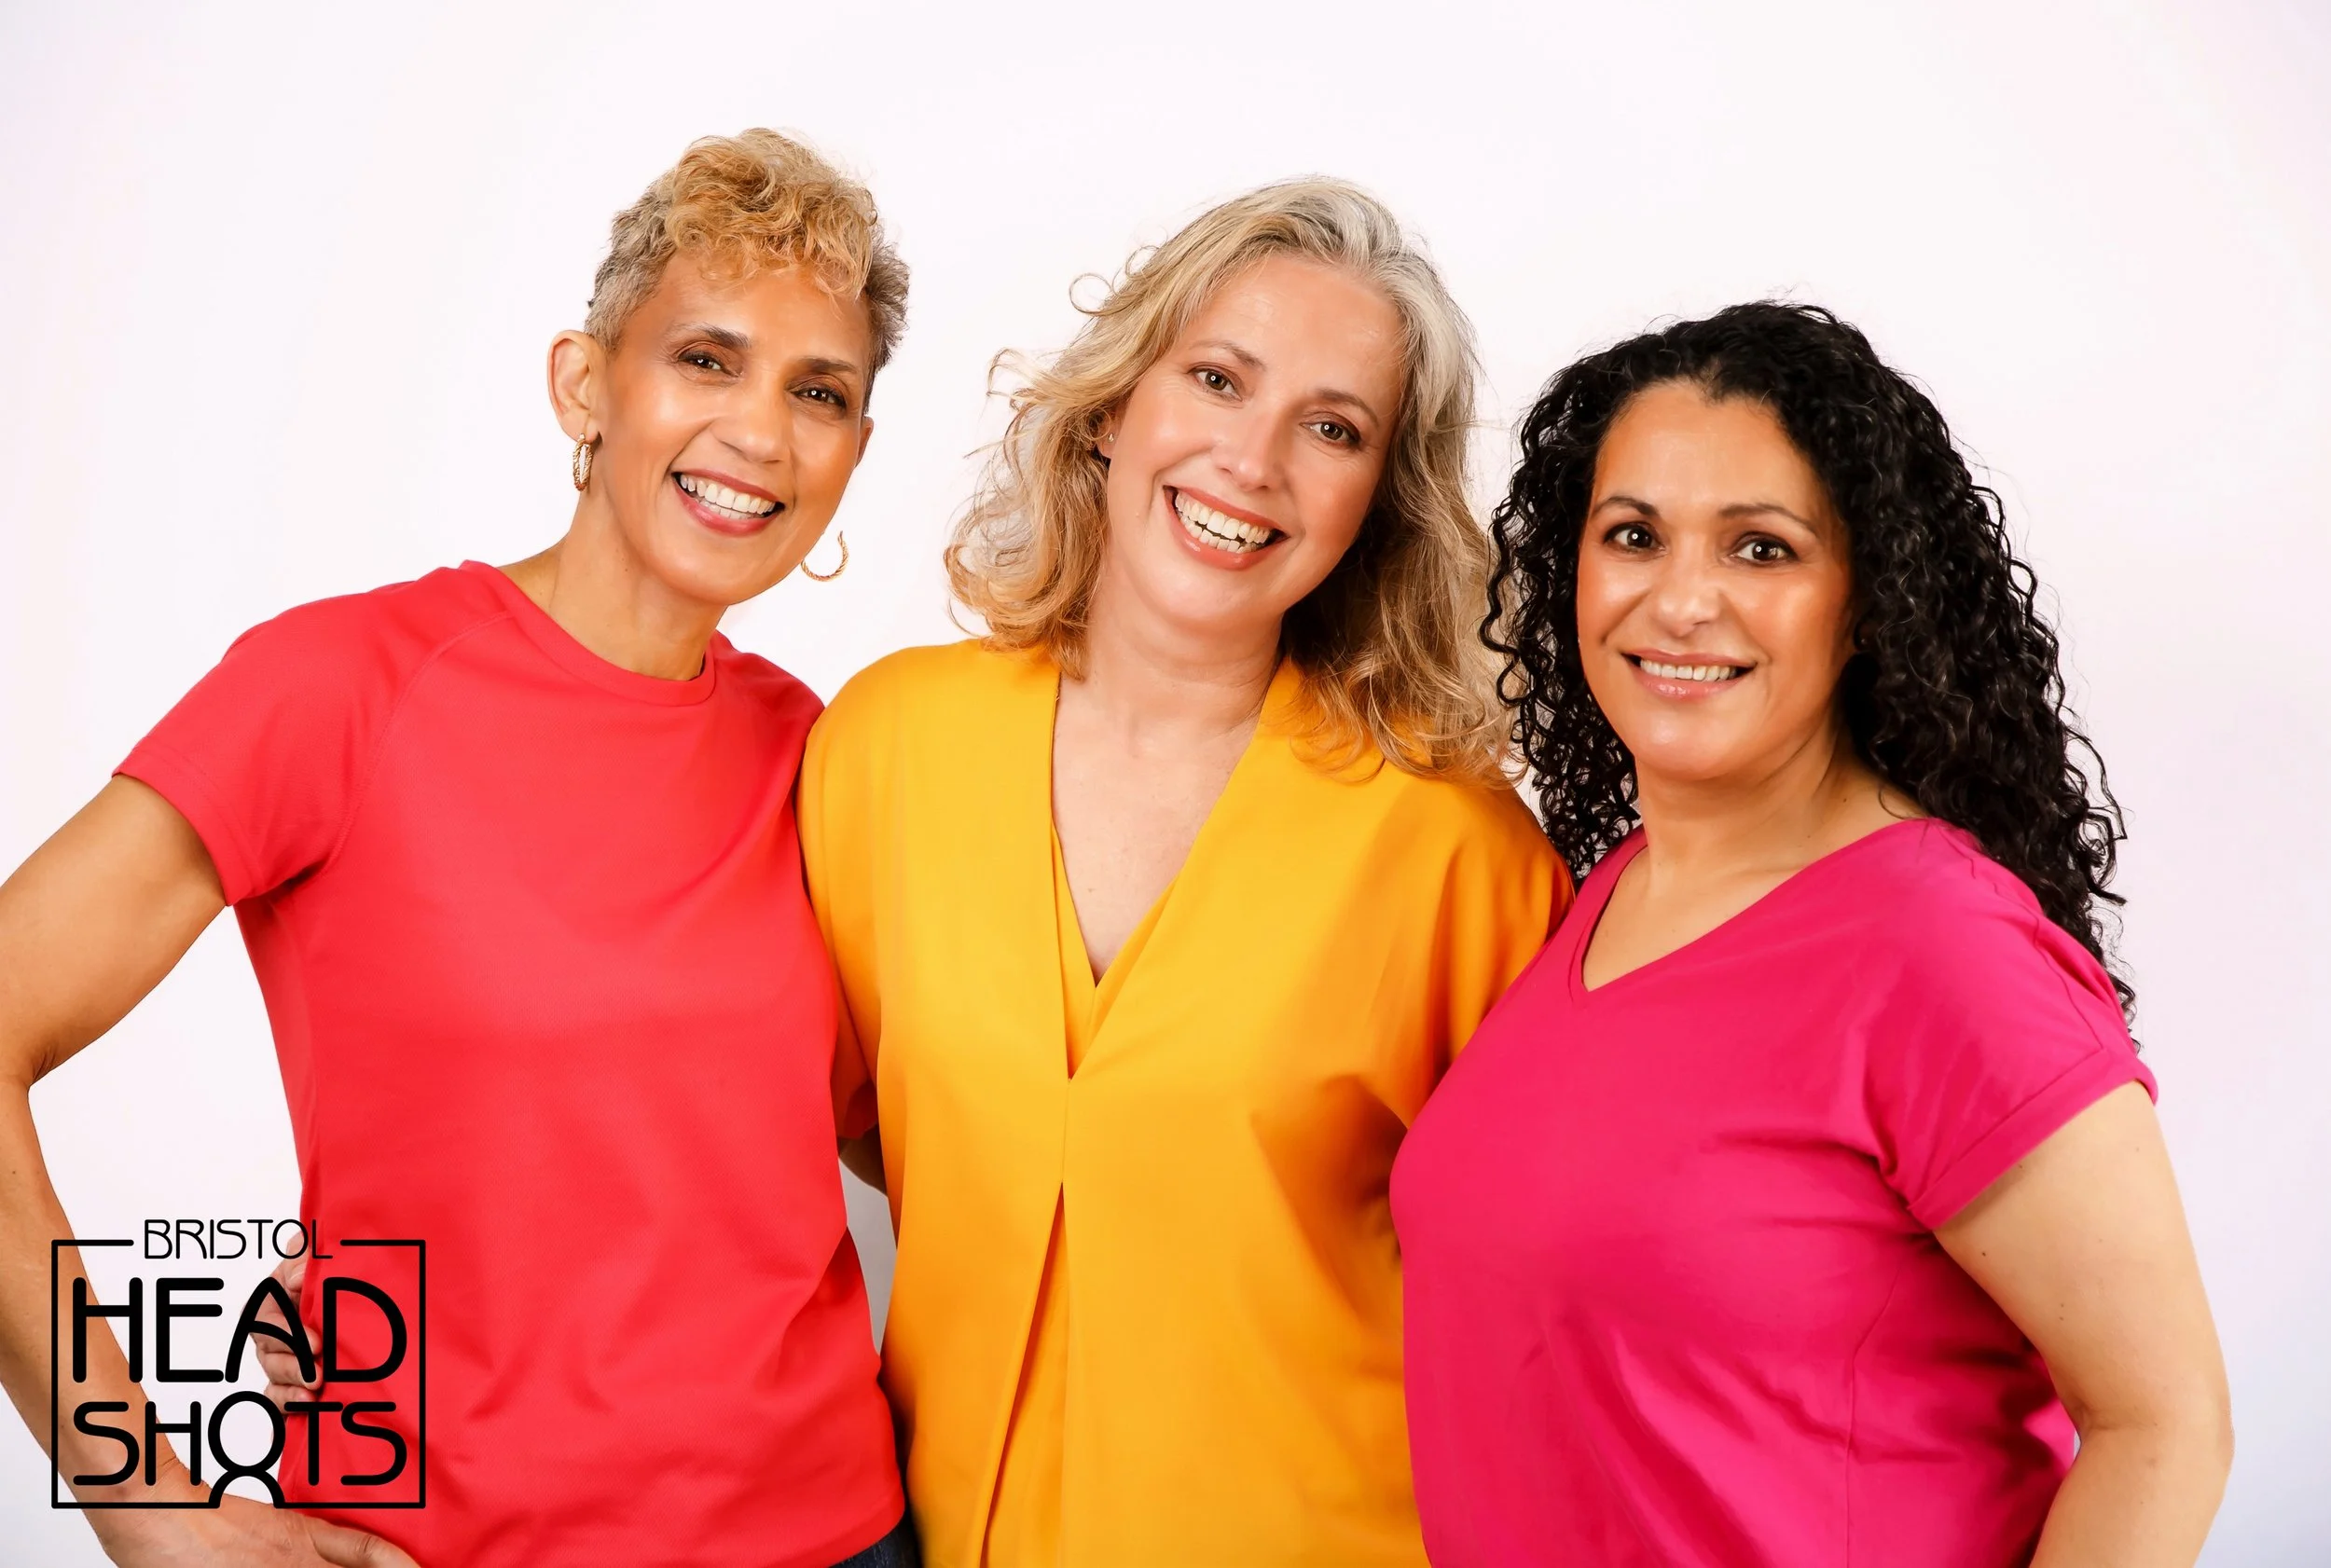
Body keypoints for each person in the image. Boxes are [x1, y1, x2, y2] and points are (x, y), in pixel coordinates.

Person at [0, 131, 918, 1568]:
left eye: (821, 392)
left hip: (838, 1536)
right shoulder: (344, 686)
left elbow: (918, 1143)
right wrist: (141, 1496)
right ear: (582, 383)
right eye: (707, 359)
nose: (762, 432)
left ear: (856, 449)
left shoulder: (821, 751)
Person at [1392, 302, 2233, 1567]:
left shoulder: (1940, 947)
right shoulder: (1603, 896)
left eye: (1761, 549)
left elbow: (2166, 1424)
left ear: (1866, 602)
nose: (1682, 600)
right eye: (1634, 535)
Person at [800, 181, 1565, 1566]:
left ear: (1376, 503)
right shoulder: (886, 747)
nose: (1252, 460)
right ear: (1114, 408)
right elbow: (853, 1124)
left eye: (1332, 428)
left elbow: (1550, 1286)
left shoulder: (1462, 851)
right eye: (1217, 379)